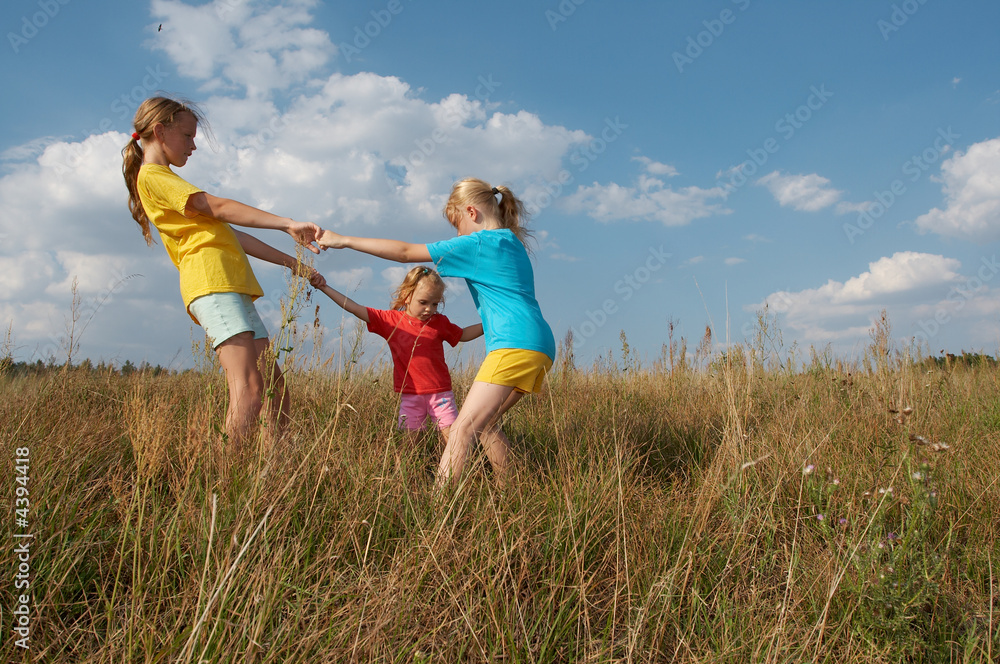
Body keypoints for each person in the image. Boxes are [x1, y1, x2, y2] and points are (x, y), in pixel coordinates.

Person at [317, 178, 555, 485]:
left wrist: (343, 240)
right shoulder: (512, 242)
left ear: (472, 212)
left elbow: (404, 252)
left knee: (461, 430)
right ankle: (512, 495)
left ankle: (439, 512)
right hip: (540, 344)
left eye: (457, 225)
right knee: (486, 424)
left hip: (513, 345)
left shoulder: (479, 243)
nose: (456, 236)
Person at [122, 96, 325, 450]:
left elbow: (233, 234)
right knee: (248, 390)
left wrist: (294, 265)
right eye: (187, 136)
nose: (193, 145)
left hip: (230, 286)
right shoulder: (153, 176)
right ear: (159, 131)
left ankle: (274, 477)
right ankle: (223, 483)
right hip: (212, 285)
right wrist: (286, 223)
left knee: (275, 389)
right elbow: (216, 206)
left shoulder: (166, 180)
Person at [317, 266, 483, 451]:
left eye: (435, 304)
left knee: (453, 439)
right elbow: (355, 308)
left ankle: (456, 477)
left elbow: (462, 335)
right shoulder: (391, 321)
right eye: (423, 302)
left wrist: (488, 324)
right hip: (411, 395)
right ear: (407, 295)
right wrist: (325, 287)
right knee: (410, 445)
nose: (429, 309)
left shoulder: (439, 322)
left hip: (441, 393)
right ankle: (408, 477)